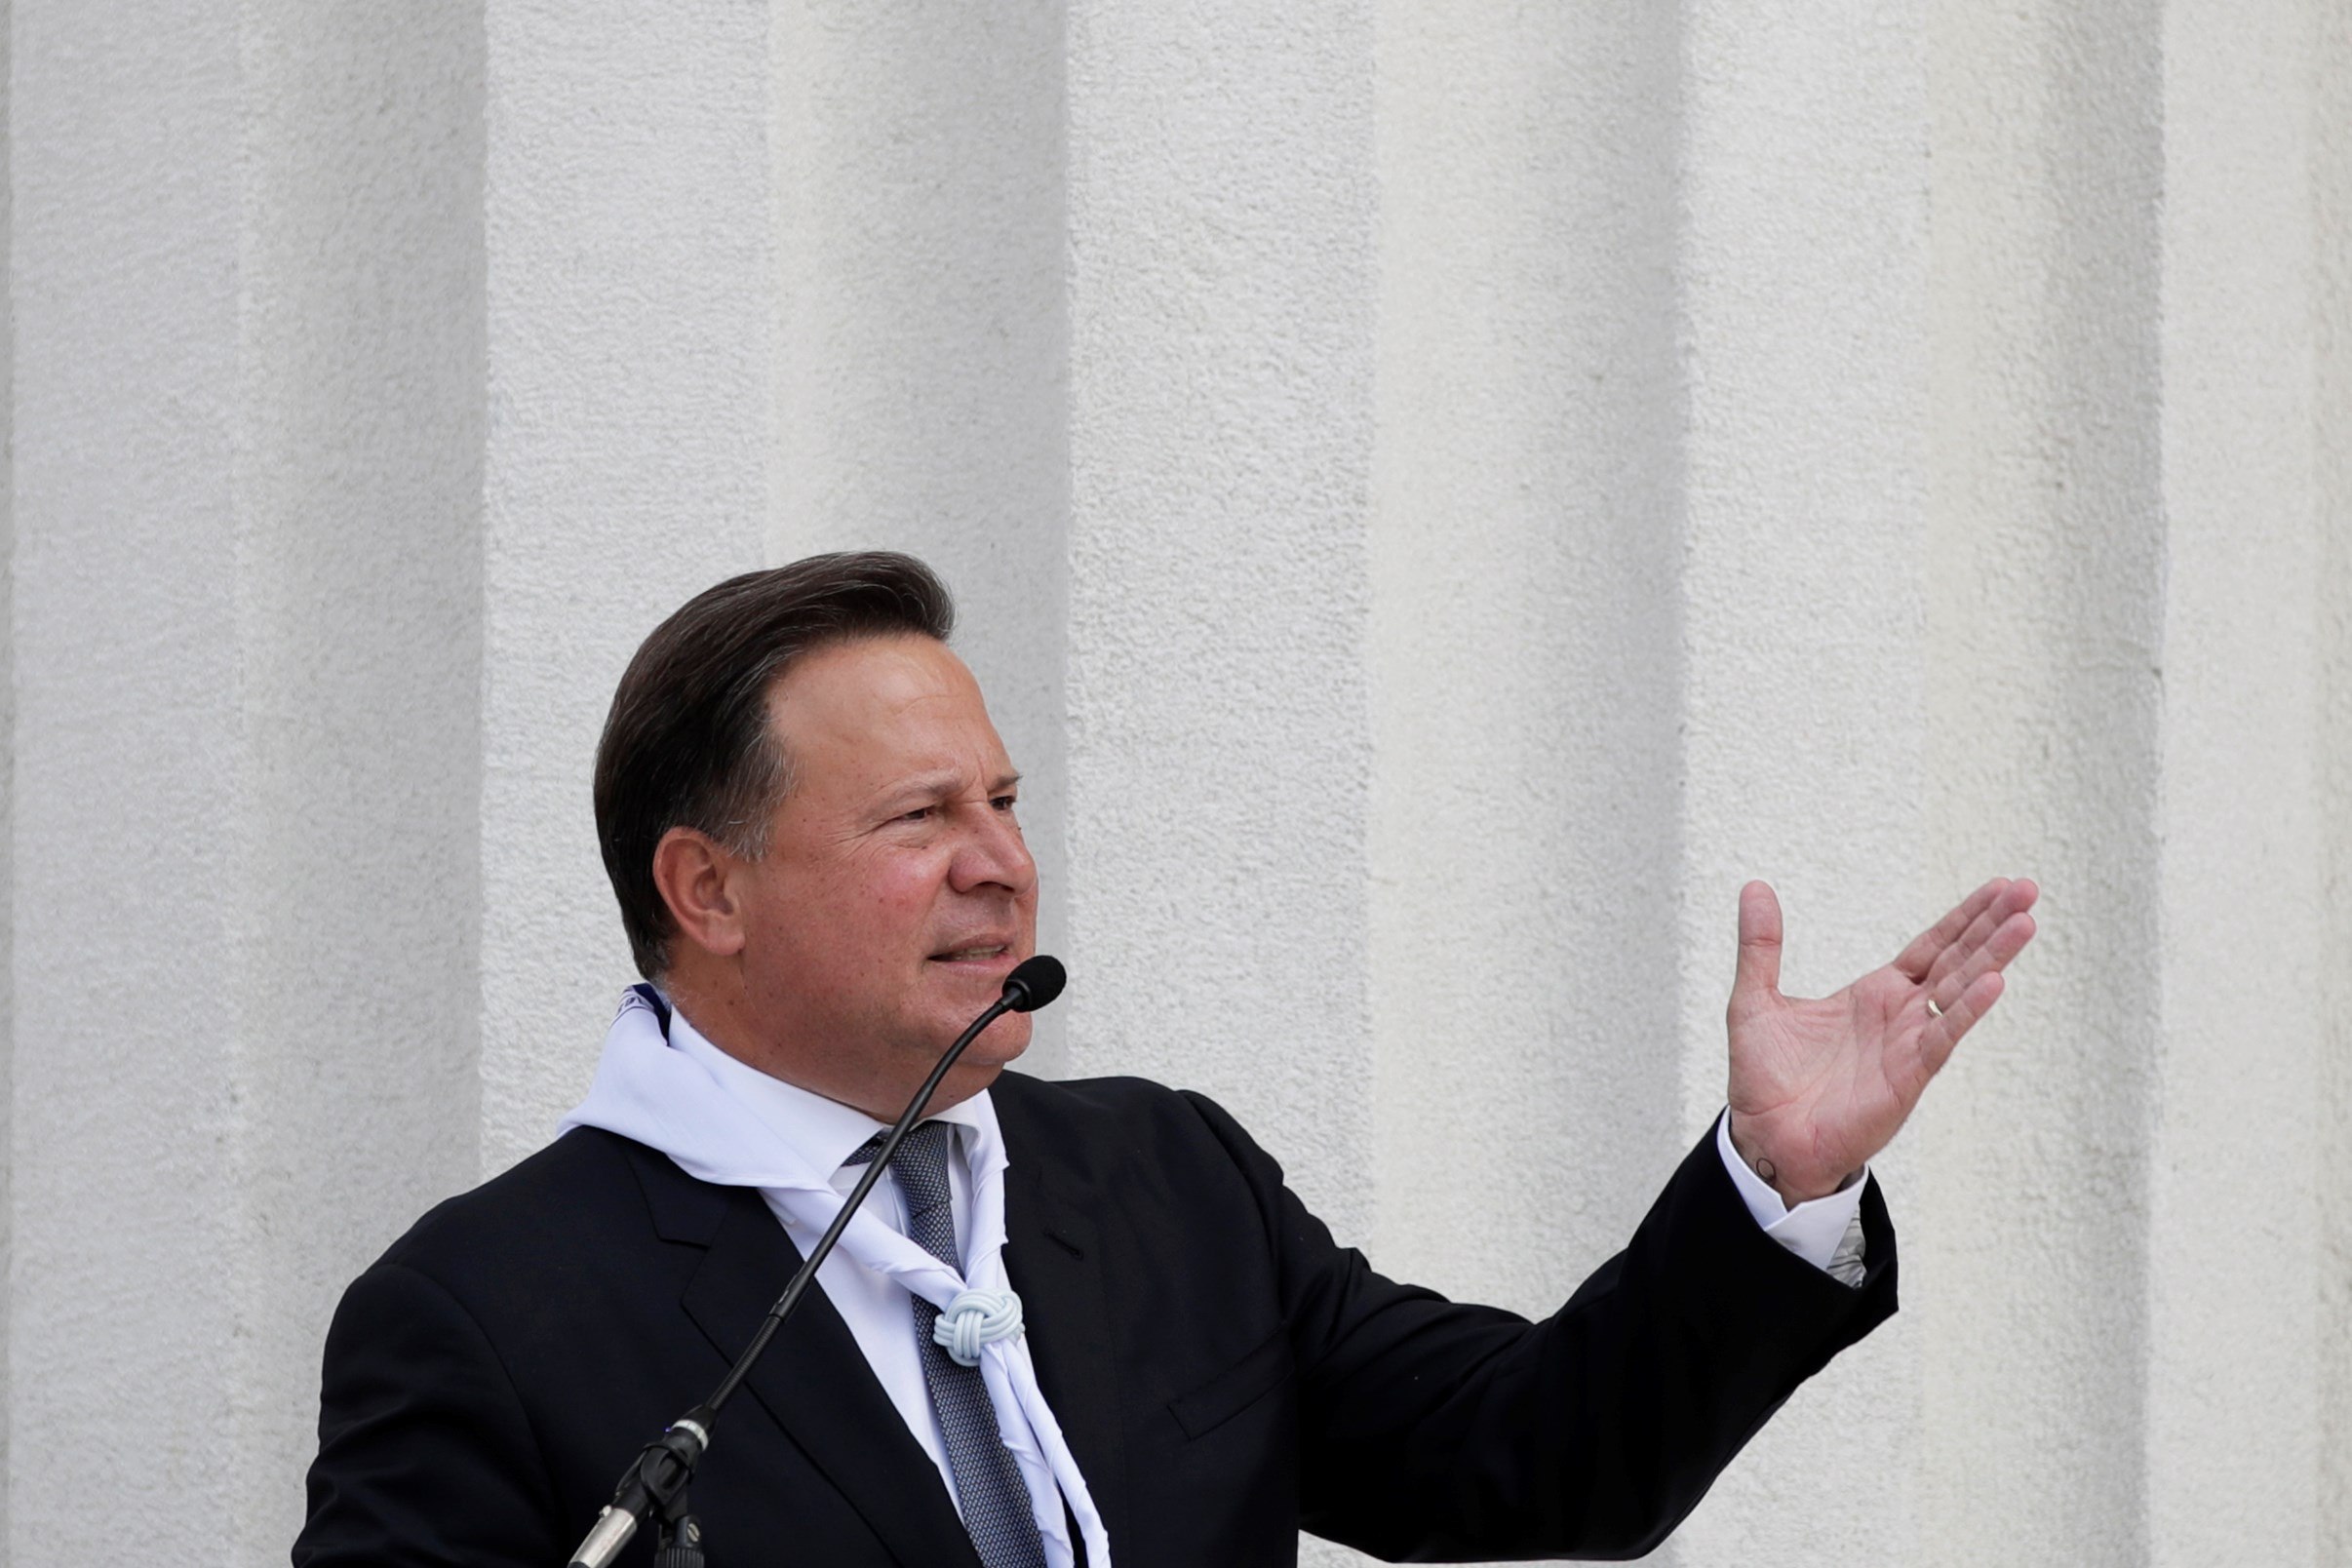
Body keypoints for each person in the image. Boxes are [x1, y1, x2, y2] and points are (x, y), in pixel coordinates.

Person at [294, 552, 2038, 1568]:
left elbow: (1543, 1463)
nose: (1000, 862)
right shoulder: (482, 1317)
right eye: (920, 816)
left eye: (1005, 802)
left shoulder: (1161, 1179)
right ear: (709, 888)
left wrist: (1777, 1179)